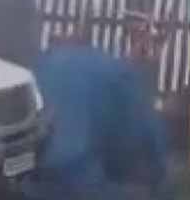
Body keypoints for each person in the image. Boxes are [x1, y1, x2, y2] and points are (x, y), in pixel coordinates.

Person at [22, 40, 173, 200]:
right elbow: (148, 133)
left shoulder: (42, 65)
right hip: (80, 179)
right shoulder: (120, 75)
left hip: (33, 172)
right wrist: (159, 183)